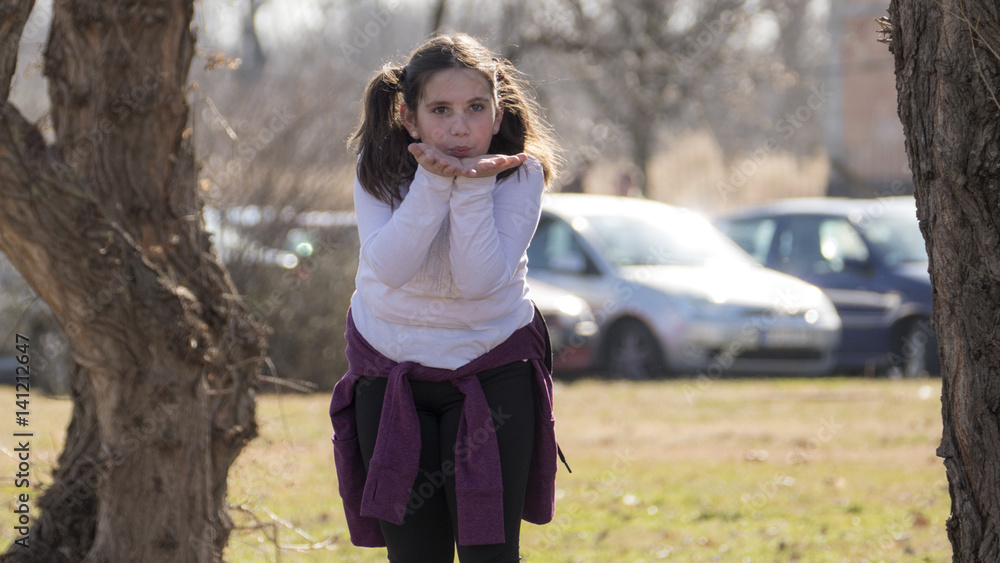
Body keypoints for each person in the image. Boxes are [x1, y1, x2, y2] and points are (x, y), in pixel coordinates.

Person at [328, 33, 565, 563]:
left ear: (498, 112)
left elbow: (478, 279)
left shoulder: (519, 175)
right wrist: (435, 185)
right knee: (414, 556)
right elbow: (389, 267)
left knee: (490, 554)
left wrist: (474, 186)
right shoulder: (377, 170)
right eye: (441, 110)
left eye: (475, 108)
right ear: (410, 119)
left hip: (491, 373)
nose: (460, 126)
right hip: (390, 378)